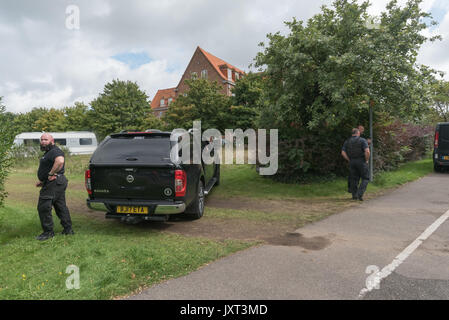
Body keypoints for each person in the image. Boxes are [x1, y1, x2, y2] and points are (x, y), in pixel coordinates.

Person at [35, 133, 74, 241]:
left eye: (46, 139)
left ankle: (48, 232)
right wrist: (43, 181)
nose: (43, 141)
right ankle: (68, 229)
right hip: (55, 181)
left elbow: (60, 161)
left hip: (54, 182)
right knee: (60, 206)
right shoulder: (48, 152)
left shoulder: (55, 151)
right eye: (41, 139)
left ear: (52, 141)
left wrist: (51, 174)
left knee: (43, 207)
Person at [342, 128, 370, 201]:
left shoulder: (347, 141)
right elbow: (367, 151)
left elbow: (343, 152)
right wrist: (366, 160)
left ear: (352, 133)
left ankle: (354, 196)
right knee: (365, 178)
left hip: (352, 161)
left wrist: (349, 159)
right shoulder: (362, 140)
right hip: (361, 161)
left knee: (353, 179)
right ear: (358, 133)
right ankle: (359, 194)